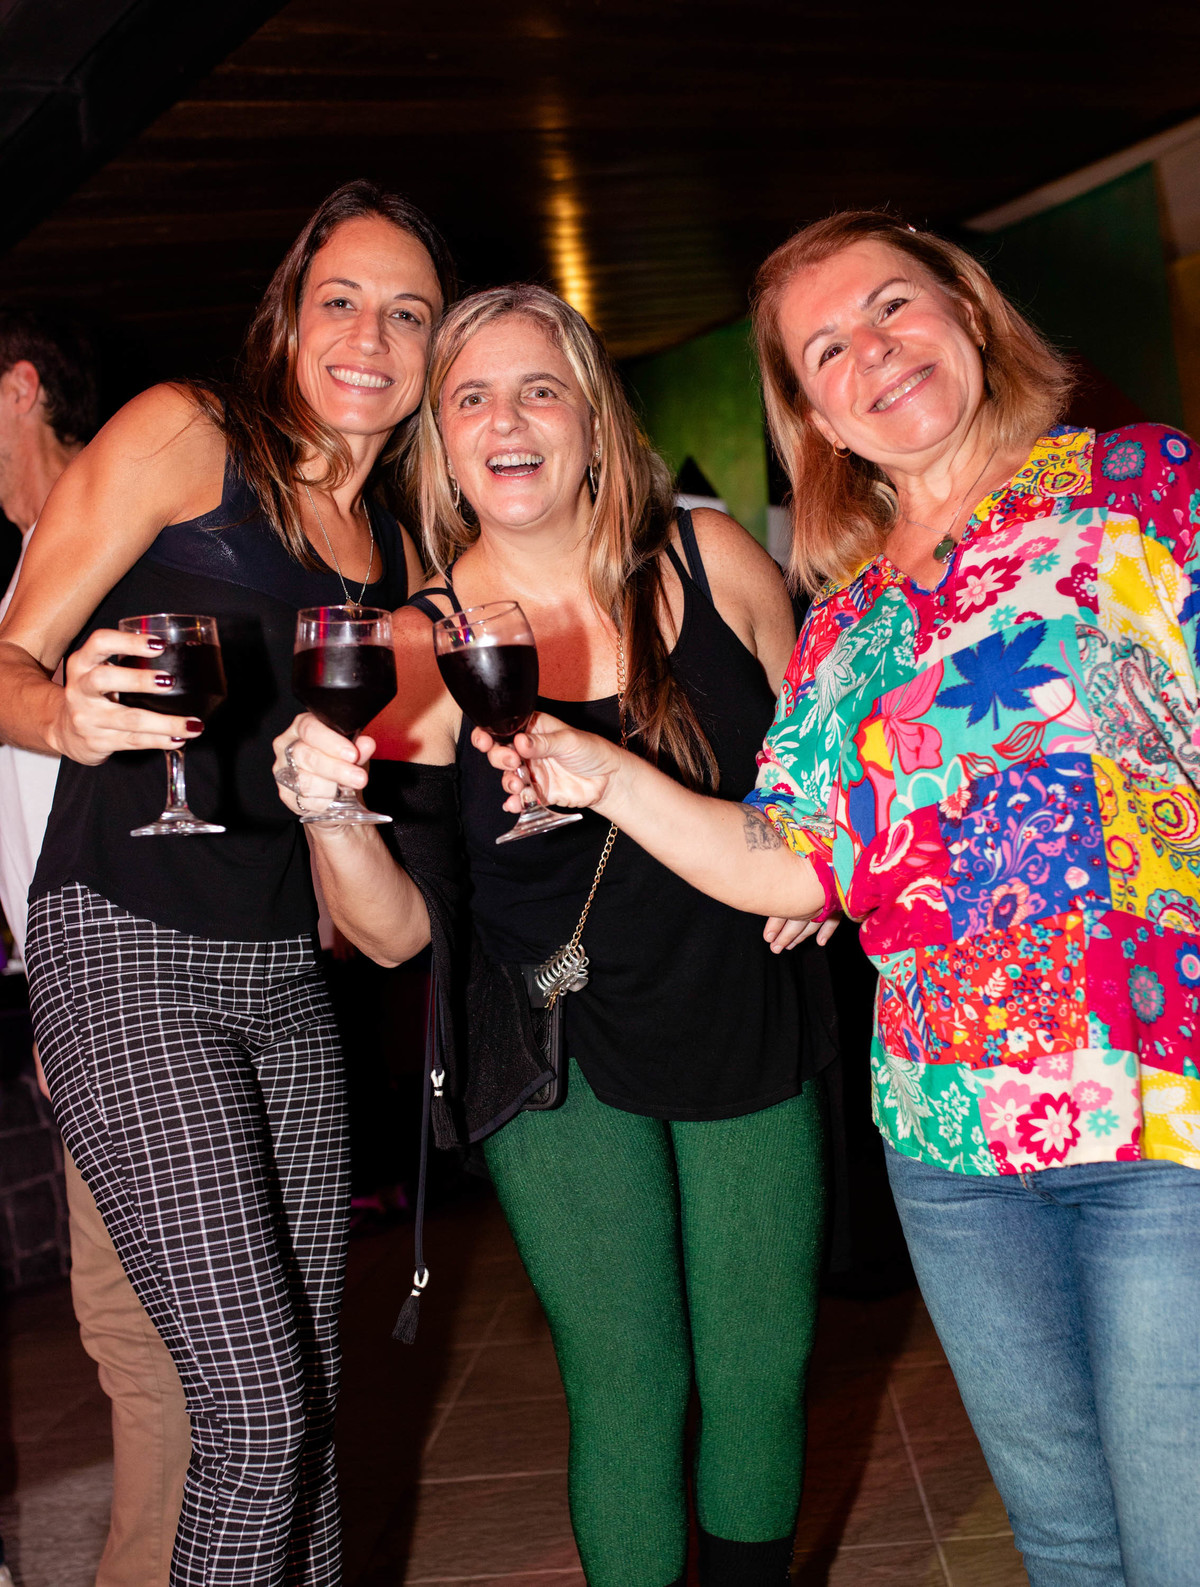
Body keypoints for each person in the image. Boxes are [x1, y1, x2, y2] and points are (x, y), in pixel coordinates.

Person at [476, 215, 1200, 1586]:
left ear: (969, 313)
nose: (873, 352)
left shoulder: (1137, 488)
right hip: (946, 1137)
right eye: (826, 349)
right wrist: (599, 771)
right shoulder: (846, 620)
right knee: (1066, 1540)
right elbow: (792, 858)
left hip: (1158, 1108)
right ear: (811, 412)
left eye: (894, 307)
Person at [273, 283, 836, 1587]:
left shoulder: (712, 562)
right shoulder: (412, 643)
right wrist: (333, 818)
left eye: (540, 389)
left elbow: (820, 762)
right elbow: (395, 936)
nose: (507, 421)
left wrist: (818, 865)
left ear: (593, 421)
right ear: (441, 443)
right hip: (554, 1044)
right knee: (630, 1382)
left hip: (742, 998)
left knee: (761, 1368)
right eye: (470, 397)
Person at [0, 180, 453, 1585]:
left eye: (408, 314)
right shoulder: (187, 432)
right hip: (122, 947)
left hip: (285, 976)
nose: (370, 337)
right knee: (253, 1415)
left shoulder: (405, 560)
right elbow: (7, 656)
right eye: (341, 301)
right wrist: (59, 713)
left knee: (308, 1402)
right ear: (288, 314)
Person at [0, 307, 192, 1587]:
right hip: (77, 991)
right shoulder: (33, 571)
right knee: (134, 1332)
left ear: (18, 388)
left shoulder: (110, 558)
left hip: (137, 987)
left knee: (154, 1338)